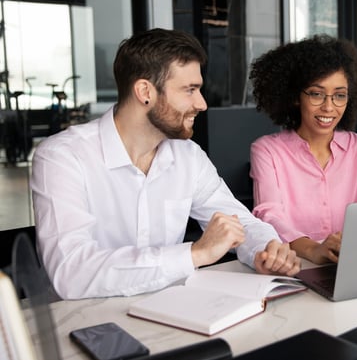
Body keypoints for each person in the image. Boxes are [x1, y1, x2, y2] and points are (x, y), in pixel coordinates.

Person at [30, 28, 300, 300]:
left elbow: (238, 221)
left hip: (169, 311)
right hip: (84, 322)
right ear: (145, 91)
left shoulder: (188, 157)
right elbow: (72, 272)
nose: (202, 104)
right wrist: (195, 254)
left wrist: (266, 249)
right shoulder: (62, 157)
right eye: (190, 90)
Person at [248, 34, 357, 265]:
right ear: (296, 96)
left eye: (339, 96)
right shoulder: (267, 150)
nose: (328, 107)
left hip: (356, 262)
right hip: (296, 263)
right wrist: (315, 250)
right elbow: (269, 216)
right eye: (316, 94)